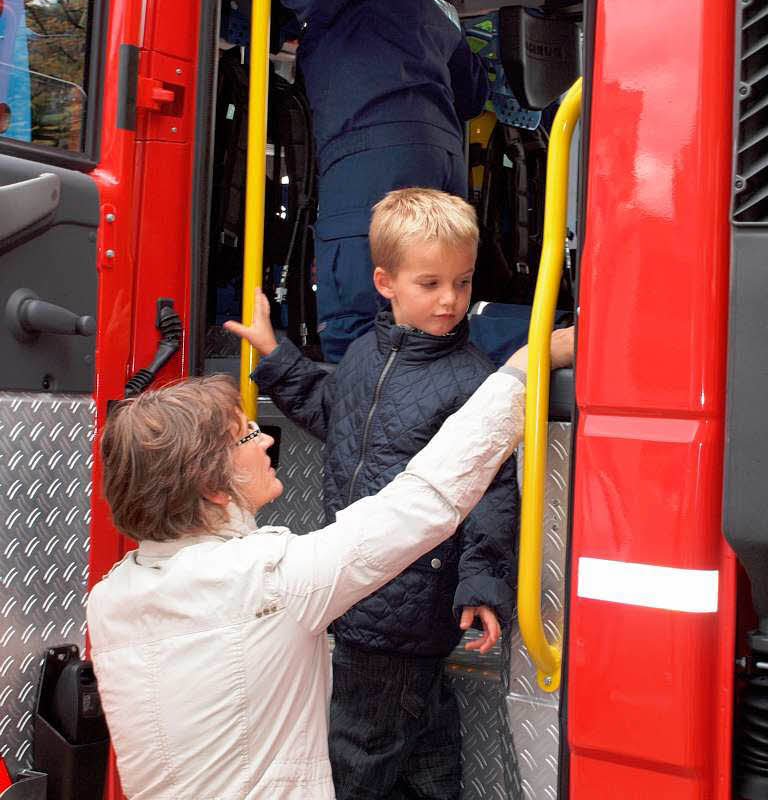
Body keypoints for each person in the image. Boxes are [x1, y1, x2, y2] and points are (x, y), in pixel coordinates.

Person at [87, 327, 574, 800]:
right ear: (212, 487)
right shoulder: (271, 582)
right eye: (245, 437)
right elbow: (425, 499)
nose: (265, 441)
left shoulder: (108, 599)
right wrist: (523, 367)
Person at [226, 188, 517, 799]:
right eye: (430, 283)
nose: (449, 301)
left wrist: (482, 585)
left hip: (398, 600)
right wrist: (275, 353)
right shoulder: (365, 355)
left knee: (356, 756)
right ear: (386, 283)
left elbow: (490, 490)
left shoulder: (469, 377)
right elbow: (332, 410)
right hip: (367, 590)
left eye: (462, 284)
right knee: (424, 747)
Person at [237, 0, 489, 362]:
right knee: (430, 303)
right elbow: (472, 91)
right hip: (441, 151)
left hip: (372, 146)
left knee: (359, 302)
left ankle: (356, 417)